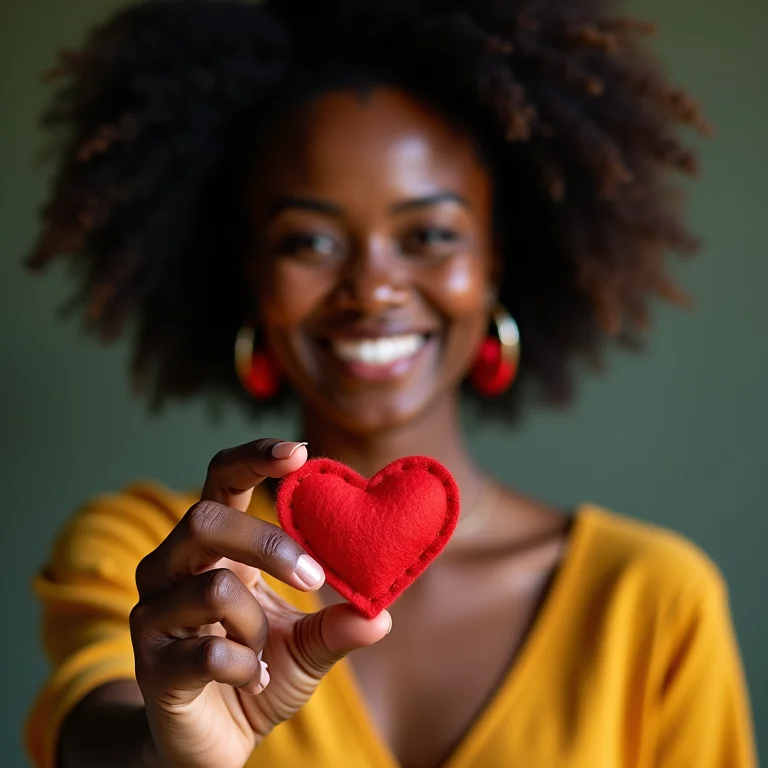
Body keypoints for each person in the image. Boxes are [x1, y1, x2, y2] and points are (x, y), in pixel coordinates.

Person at [24, 1, 757, 766]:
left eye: (429, 236)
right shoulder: (155, 555)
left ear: (494, 264)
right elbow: (93, 733)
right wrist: (168, 746)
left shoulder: (652, 600)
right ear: (253, 277)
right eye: (310, 241)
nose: (373, 288)